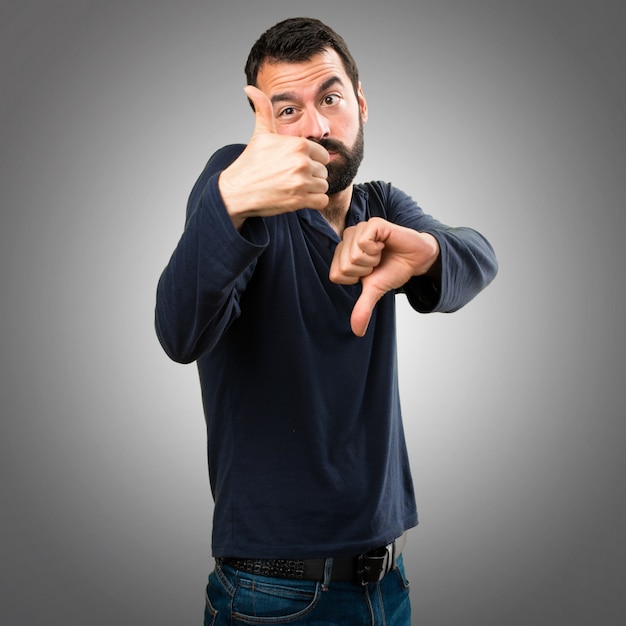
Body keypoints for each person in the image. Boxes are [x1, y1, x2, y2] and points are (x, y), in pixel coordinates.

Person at [155, 16, 497, 626]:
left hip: (387, 586)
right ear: (263, 126)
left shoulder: (382, 205)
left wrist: (430, 251)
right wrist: (232, 200)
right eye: (287, 110)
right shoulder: (237, 190)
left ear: (361, 104)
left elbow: (478, 256)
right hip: (269, 594)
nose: (316, 127)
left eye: (331, 99)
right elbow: (179, 332)